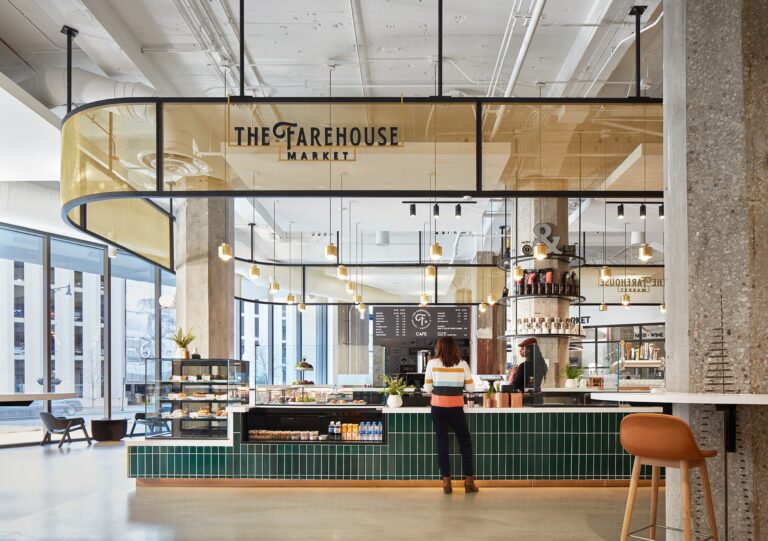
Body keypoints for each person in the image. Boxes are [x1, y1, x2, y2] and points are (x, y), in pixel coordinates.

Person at [424, 336, 478, 494]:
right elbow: (471, 389)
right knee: (465, 443)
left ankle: (446, 483)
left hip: (438, 407)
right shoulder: (462, 364)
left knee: (442, 443)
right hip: (455, 408)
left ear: (439, 348)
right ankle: (469, 481)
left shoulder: (432, 364)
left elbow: (427, 389)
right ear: (455, 348)